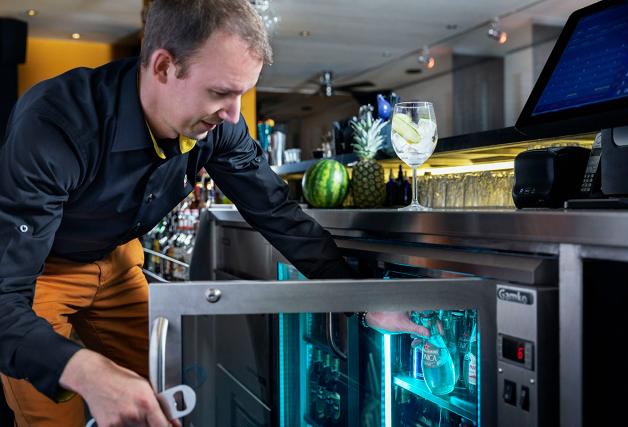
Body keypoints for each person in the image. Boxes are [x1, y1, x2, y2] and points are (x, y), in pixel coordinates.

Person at [0, 1, 428, 426]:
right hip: (41, 272)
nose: (233, 114)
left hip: (116, 262)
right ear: (164, 67)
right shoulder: (56, 123)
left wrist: (359, 297)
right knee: (54, 416)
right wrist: (87, 371)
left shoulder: (221, 125)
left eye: (241, 93)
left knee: (161, 396)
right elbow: (4, 299)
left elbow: (275, 210)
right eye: (221, 92)